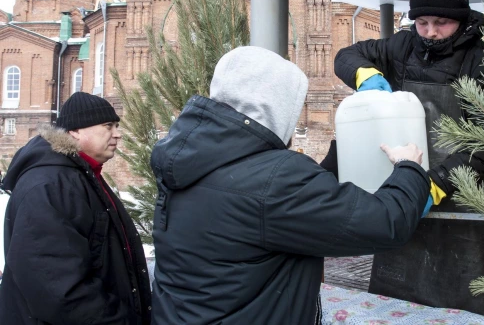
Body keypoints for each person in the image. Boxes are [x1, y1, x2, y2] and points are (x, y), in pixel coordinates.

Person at [150, 46, 430, 324]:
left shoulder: (189, 161)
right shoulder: (276, 181)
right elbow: (384, 223)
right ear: (277, 105)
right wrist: (409, 169)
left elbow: (277, 206)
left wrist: (343, 146)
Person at [332, 0, 484, 314]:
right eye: (422, 22)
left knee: (454, 307)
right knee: (391, 304)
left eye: (441, 23)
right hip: (402, 193)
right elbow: (347, 55)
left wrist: (433, 186)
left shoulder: (482, 62)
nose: (431, 32)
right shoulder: (402, 47)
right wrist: (365, 75)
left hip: (457, 202)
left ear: (463, 20)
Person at [0, 92, 151, 324]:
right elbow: (57, 287)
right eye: (108, 126)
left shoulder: (80, 175)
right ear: (75, 131)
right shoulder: (49, 185)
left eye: (117, 126)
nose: (117, 134)